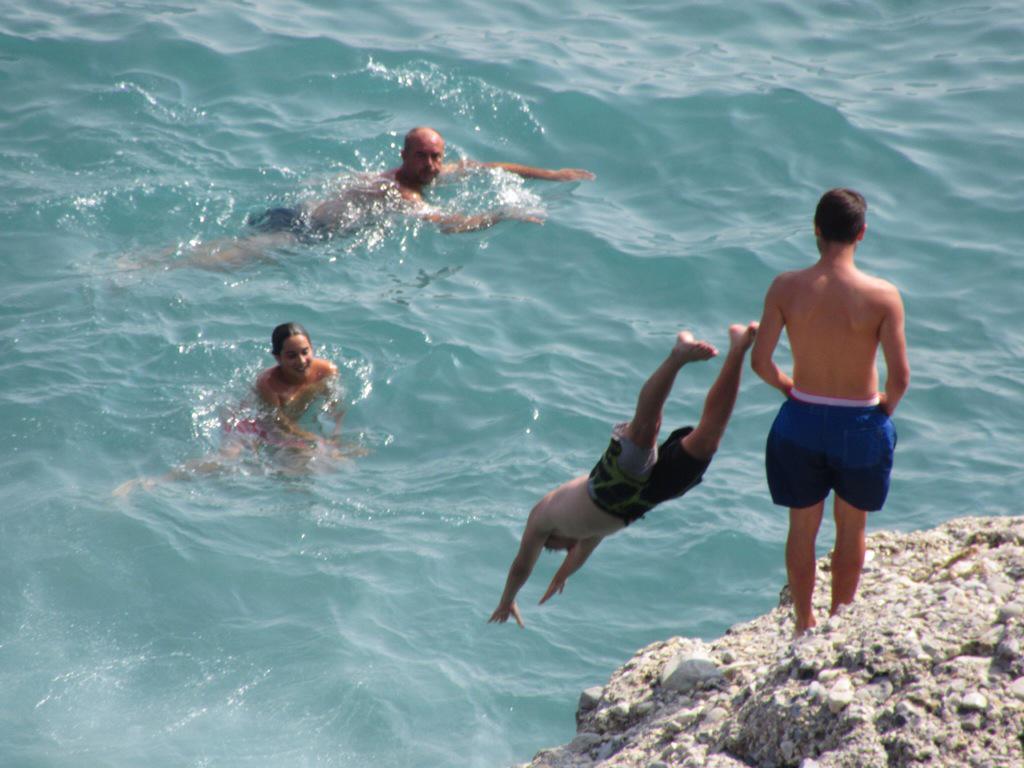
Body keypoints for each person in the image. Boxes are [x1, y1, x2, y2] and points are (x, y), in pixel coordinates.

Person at [489, 323, 758, 628]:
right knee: (709, 437)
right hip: (648, 496)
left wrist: (507, 598)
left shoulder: (542, 518)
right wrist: (561, 575)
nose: (569, 549)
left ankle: (677, 356)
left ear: (555, 539)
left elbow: (522, 565)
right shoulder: (590, 533)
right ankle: (738, 348)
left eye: (562, 547)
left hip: (611, 486)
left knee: (646, 427)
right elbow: (578, 557)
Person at [750, 188, 910, 636]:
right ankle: (839, 622)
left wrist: (790, 389)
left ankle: (804, 622)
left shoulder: (785, 287)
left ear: (815, 231)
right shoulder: (883, 296)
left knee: (802, 527)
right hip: (860, 422)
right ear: (862, 233)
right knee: (850, 528)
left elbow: (761, 362)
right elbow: (899, 377)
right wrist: (883, 411)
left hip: (800, 420)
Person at [137, 126, 594, 269]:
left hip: (300, 212)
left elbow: (487, 167)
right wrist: (502, 213)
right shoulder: (401, 193)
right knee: (234, 255)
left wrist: (550, 175)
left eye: (437, 157)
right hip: (305, 230)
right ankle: (156, 264)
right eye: (422, 158)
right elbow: (448, 223)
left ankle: (154, 260)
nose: (432, 166)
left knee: (231, 245)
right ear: (403, 156)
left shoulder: (429, 174)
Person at [113, 322, 350, 495]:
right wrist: (309, 437)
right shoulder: (268, 384)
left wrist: (335, 442)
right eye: (291, 355)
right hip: (252, 419)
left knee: (324, 462)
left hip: (285, 424)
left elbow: (335, 409)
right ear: (277, 358)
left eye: (304, 352)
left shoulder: (327, 371)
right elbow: (276, 422)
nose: (300, 361)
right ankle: (153, 482)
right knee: (227, 459)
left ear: (312, 349)